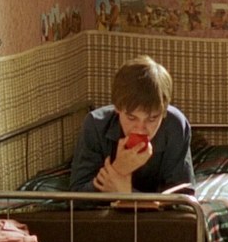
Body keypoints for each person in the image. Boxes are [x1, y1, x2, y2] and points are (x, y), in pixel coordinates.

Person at [69, 55, 195, 193]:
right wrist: (119, 169)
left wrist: (127, 193)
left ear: (163, 112)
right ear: (117, 108)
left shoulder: (175, 126)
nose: (140, 129)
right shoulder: (95, 125)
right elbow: (77, 196)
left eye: (152, 119)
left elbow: (184, 199)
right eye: (131, 118)